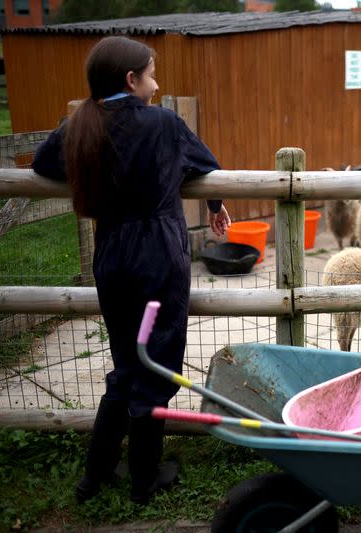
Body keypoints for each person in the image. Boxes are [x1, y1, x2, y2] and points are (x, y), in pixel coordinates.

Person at [32, 36, 231, 504]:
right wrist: (218, 202)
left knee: (125, 362)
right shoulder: (163, 123)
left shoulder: (80, 125)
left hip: (113, 255)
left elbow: (44, 163)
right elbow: (206, 165)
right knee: (156, 361)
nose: (157, 85)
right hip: (158, 256)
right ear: (131, 79)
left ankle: (93, 477)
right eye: (151, 74)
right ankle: (144, 479)